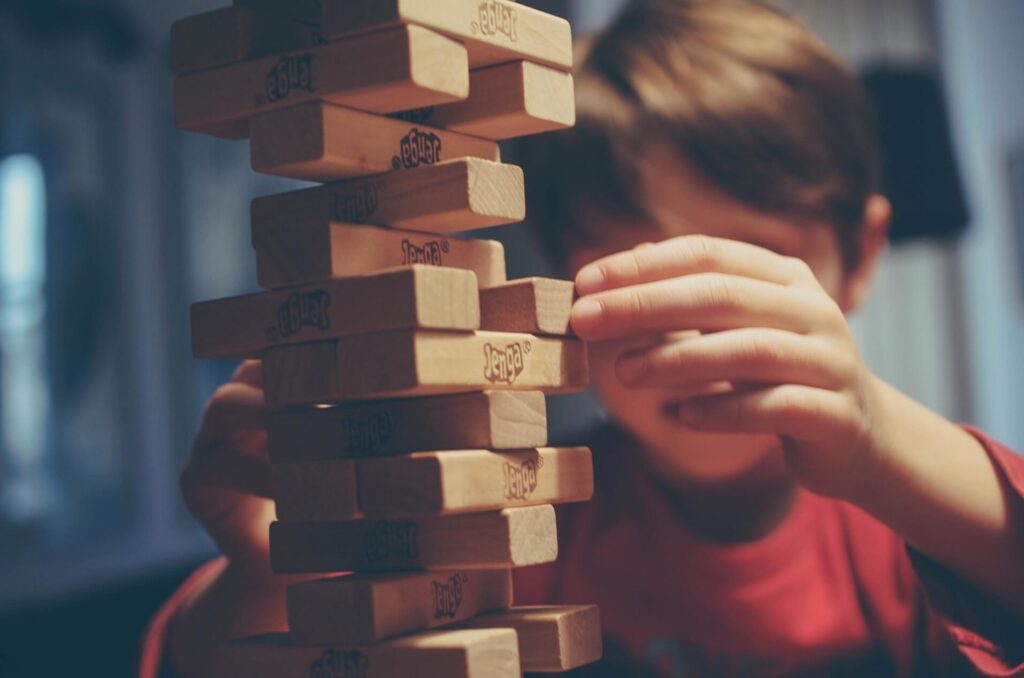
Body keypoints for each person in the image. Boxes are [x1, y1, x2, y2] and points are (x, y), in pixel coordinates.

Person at [143, 1, 1024, 675]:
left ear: (860, 256)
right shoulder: (514, 519)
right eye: (632, 271)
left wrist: (876, 439)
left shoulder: (911, 522)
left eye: (748, 269)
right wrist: (276, 579)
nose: (693, 329)